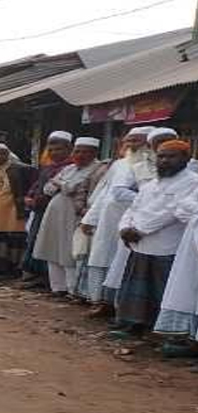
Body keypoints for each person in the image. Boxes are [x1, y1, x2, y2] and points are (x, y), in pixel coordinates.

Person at [112, 140, 198, 339]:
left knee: (165, 290)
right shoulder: (151, 184)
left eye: (171, 156)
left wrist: (139, 230)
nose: (165, 160)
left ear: (185, 158)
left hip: (168, 245)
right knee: (137, 291)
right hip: (140, 244)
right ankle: (133, 326)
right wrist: (124, 228)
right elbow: (134, 208)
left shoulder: (192, 182)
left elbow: (171, 212)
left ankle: (166, 332)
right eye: (161, 156)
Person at [79, 127, 153, 315]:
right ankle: (100, 301)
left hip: (135, 219)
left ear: (148, 143)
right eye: (128, 141)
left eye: (136, 141)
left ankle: (121, 306)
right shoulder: (119, 164)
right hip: (108, 219)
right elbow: (104, 192)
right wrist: (90, 218)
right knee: (101, 257)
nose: (130, 145)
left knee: (122, 263)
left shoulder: (153, 165)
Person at [32, 137, 106, 298]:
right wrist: (61, 185)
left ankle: (73, 289)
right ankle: (58, 288)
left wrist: (61, 184)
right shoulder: (69, 168)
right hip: (54, 213)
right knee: (52, 248)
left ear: (94, 153)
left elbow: (72, 188)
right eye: (77, 151)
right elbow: (48, 189)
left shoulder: (98, 169)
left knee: (69, 251)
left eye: (85, 152)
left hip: (74, 214)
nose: (80, 155)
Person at [19, 132, 75, 289]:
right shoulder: (48, 167)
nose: (54, 153)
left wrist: (38, 199)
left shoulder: (70, 168)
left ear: (69, 149)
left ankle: (47, 280)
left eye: (58, 149)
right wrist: (29, 197)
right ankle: (36, 275)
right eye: (51, 150)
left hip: (57, 212)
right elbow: (37, 185)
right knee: (37, 241)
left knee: (53, 245)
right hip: (40, 211)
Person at [0, 143, 33, 278]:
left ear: (8, 154)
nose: (0, 156)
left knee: (16, 239)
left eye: (3, 153)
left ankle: (15, 269)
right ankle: (0, 267)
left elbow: (32, 185)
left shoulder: (21, 169)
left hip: (15, 208)